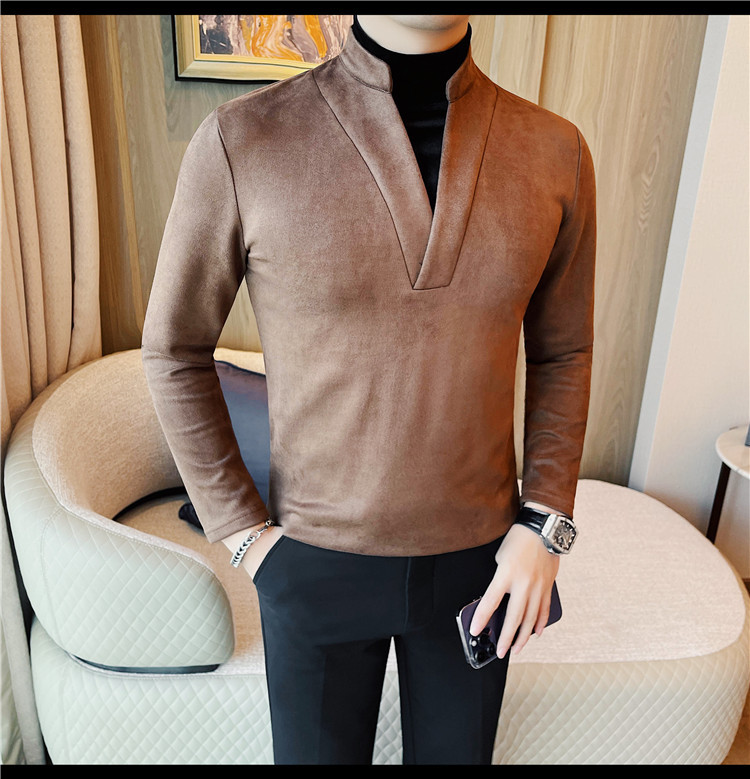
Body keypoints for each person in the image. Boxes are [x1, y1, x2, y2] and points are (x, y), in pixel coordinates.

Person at [141, 14, 596, 765]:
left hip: (482, 568)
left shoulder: (556, 152)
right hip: (311, 559)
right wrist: (244, 535)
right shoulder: (245, 140)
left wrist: (546, 523)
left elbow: (565, 351)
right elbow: (173, 349)